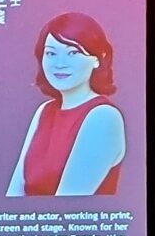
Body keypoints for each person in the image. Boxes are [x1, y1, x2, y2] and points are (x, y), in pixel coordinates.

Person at [7, 11, 125, 197]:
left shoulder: (104, 117)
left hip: (69, 225)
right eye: (51, 53)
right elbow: (15, 192)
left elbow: (67, 206)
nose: (59, 64)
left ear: (97, 58)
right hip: (28, 224)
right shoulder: (44, 111)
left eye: (73, 52)